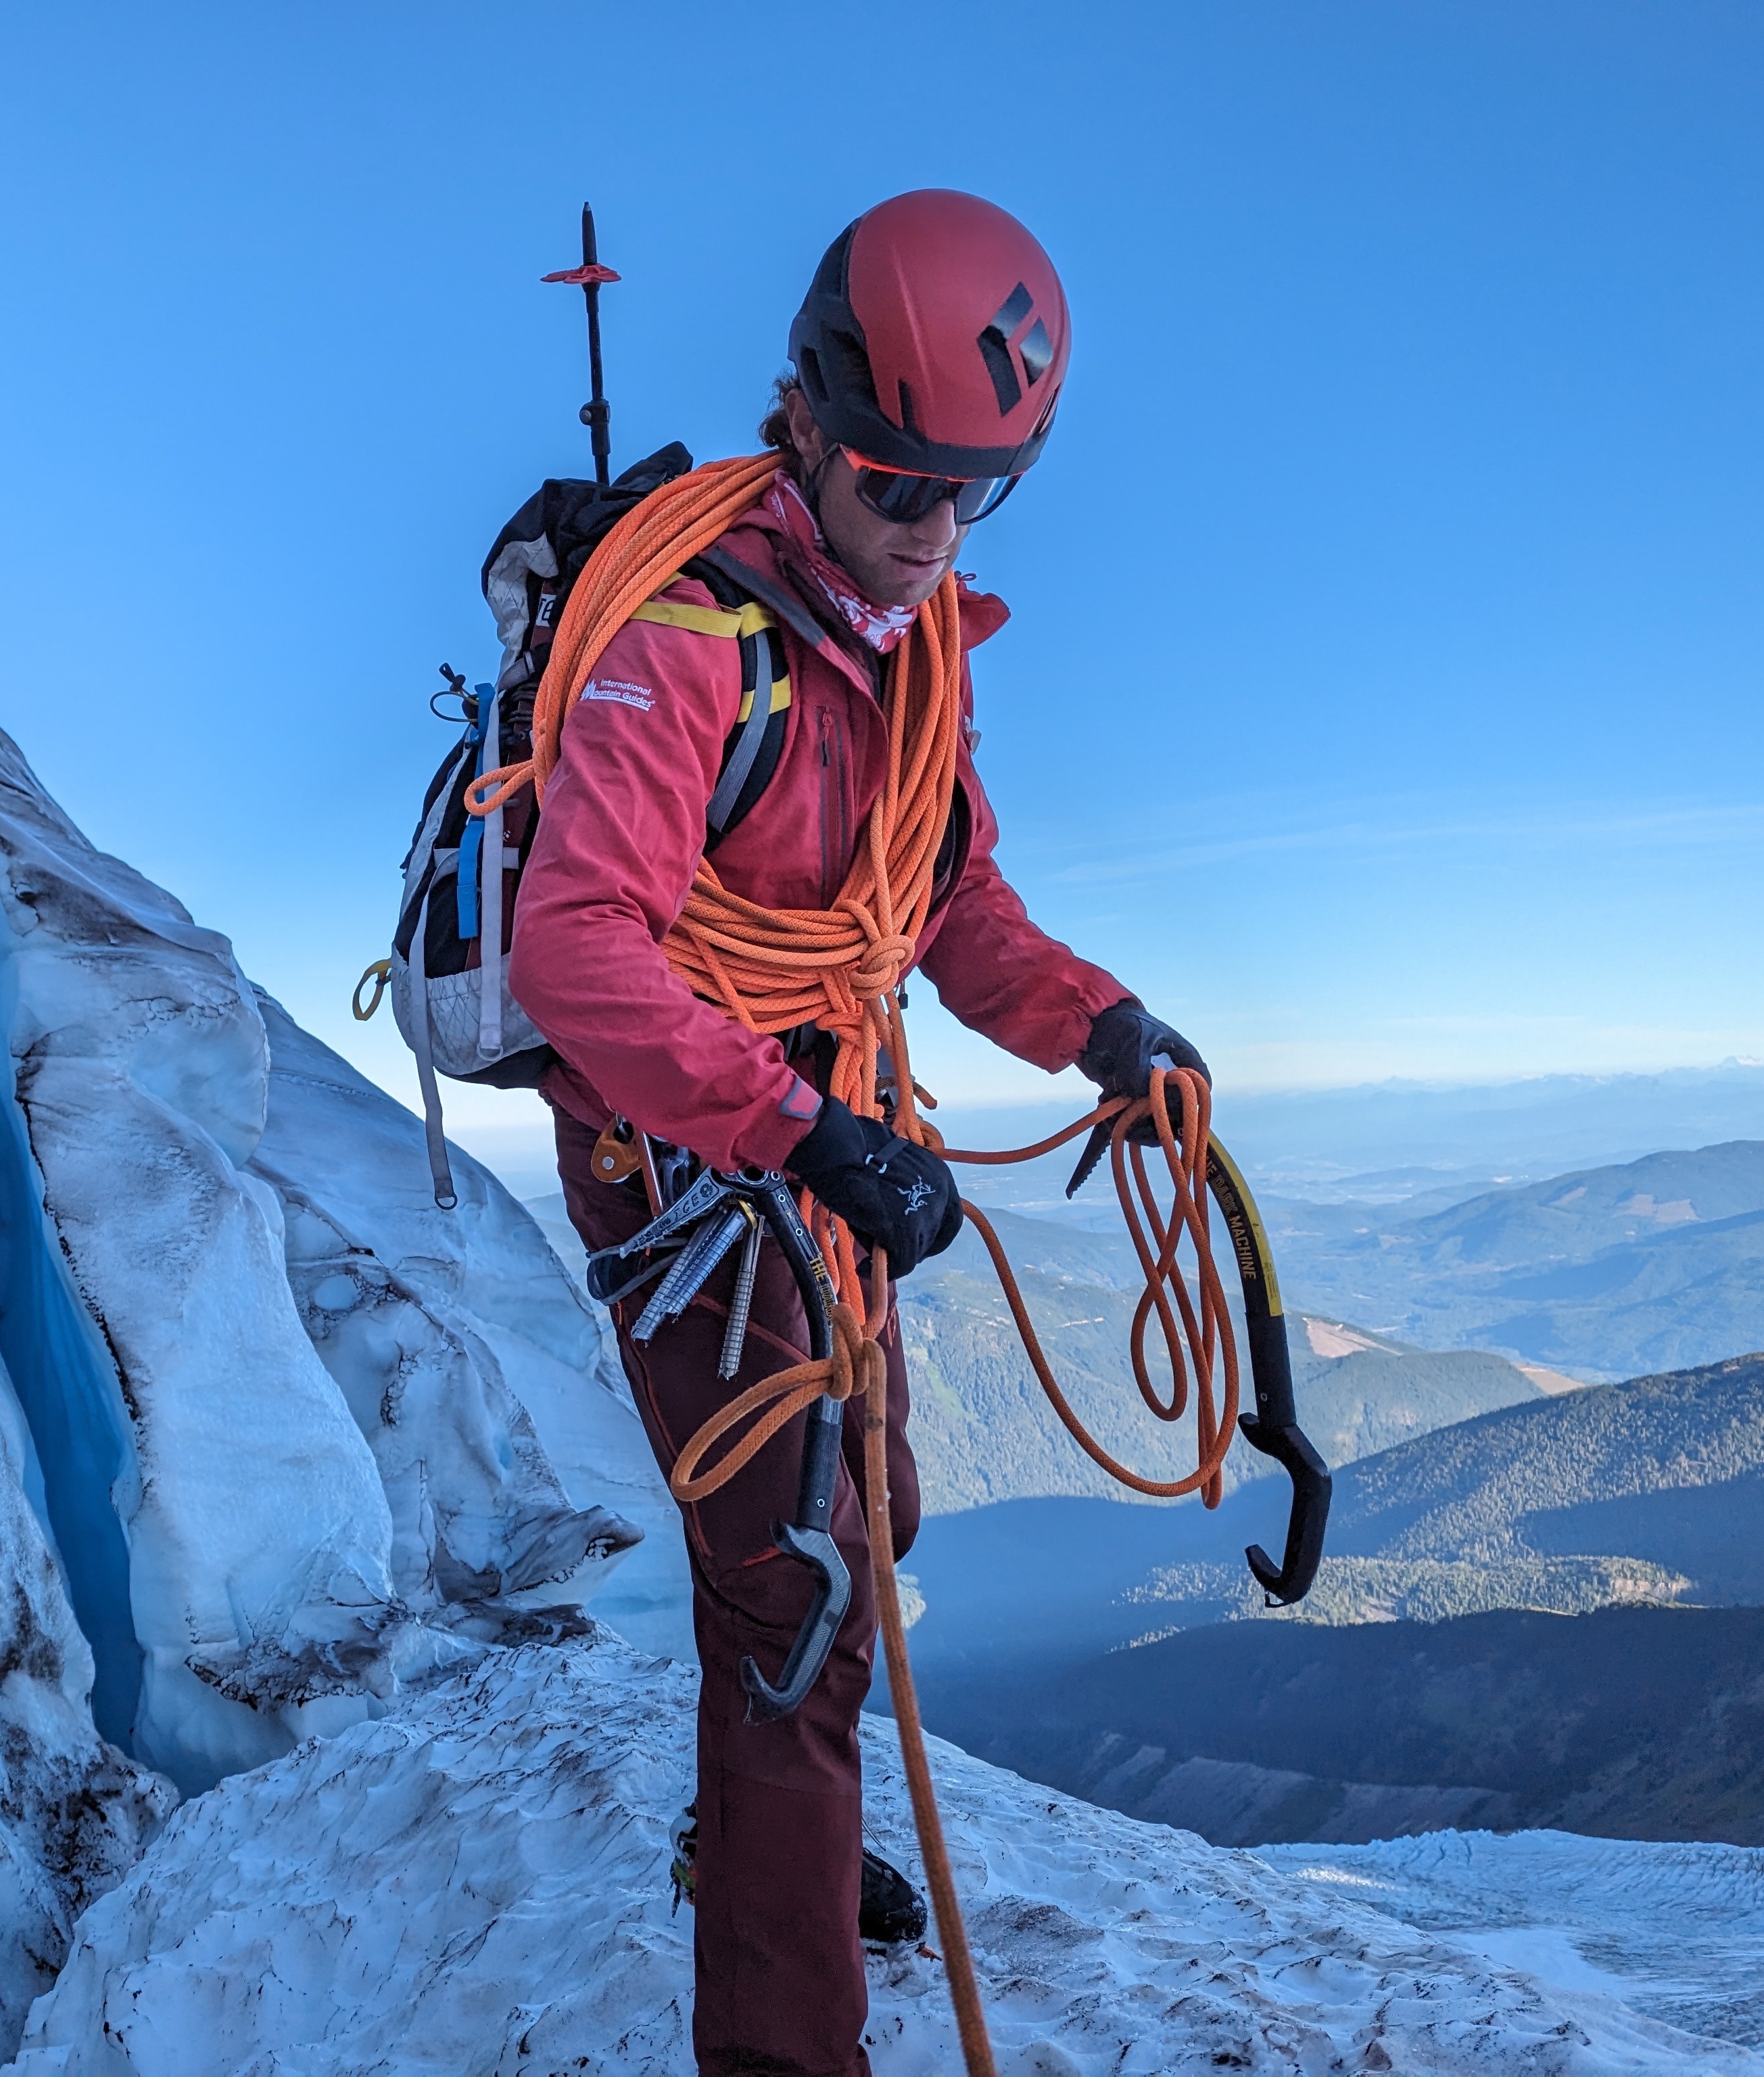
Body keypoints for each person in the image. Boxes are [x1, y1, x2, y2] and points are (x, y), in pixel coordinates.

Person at [508, 189, 1209, 2076]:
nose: (927, 531)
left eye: (969, 495)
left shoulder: (910, 658)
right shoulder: (686, 640)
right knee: (800, 1593)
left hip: (824, 1139)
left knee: (862, 1514)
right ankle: (785, 2031)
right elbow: (573, 953)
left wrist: (1100, 1028)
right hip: (686, 1155)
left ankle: (764, 1840)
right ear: (804, 416)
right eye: (899, 481)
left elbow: (945, 906)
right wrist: (799, 1132)